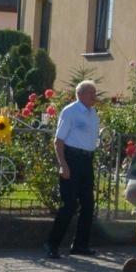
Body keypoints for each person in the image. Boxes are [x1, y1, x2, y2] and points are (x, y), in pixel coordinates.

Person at [46, 81, 99, 259]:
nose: (94, 96)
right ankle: (52, 244)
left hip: (86, 161)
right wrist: (63, 164)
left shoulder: (93, 114)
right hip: (72, 159)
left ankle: (80, 245)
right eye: (91, 93)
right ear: (81, 94)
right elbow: (58, 140)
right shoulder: (70, 112)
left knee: (88, 205)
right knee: (68, 205)